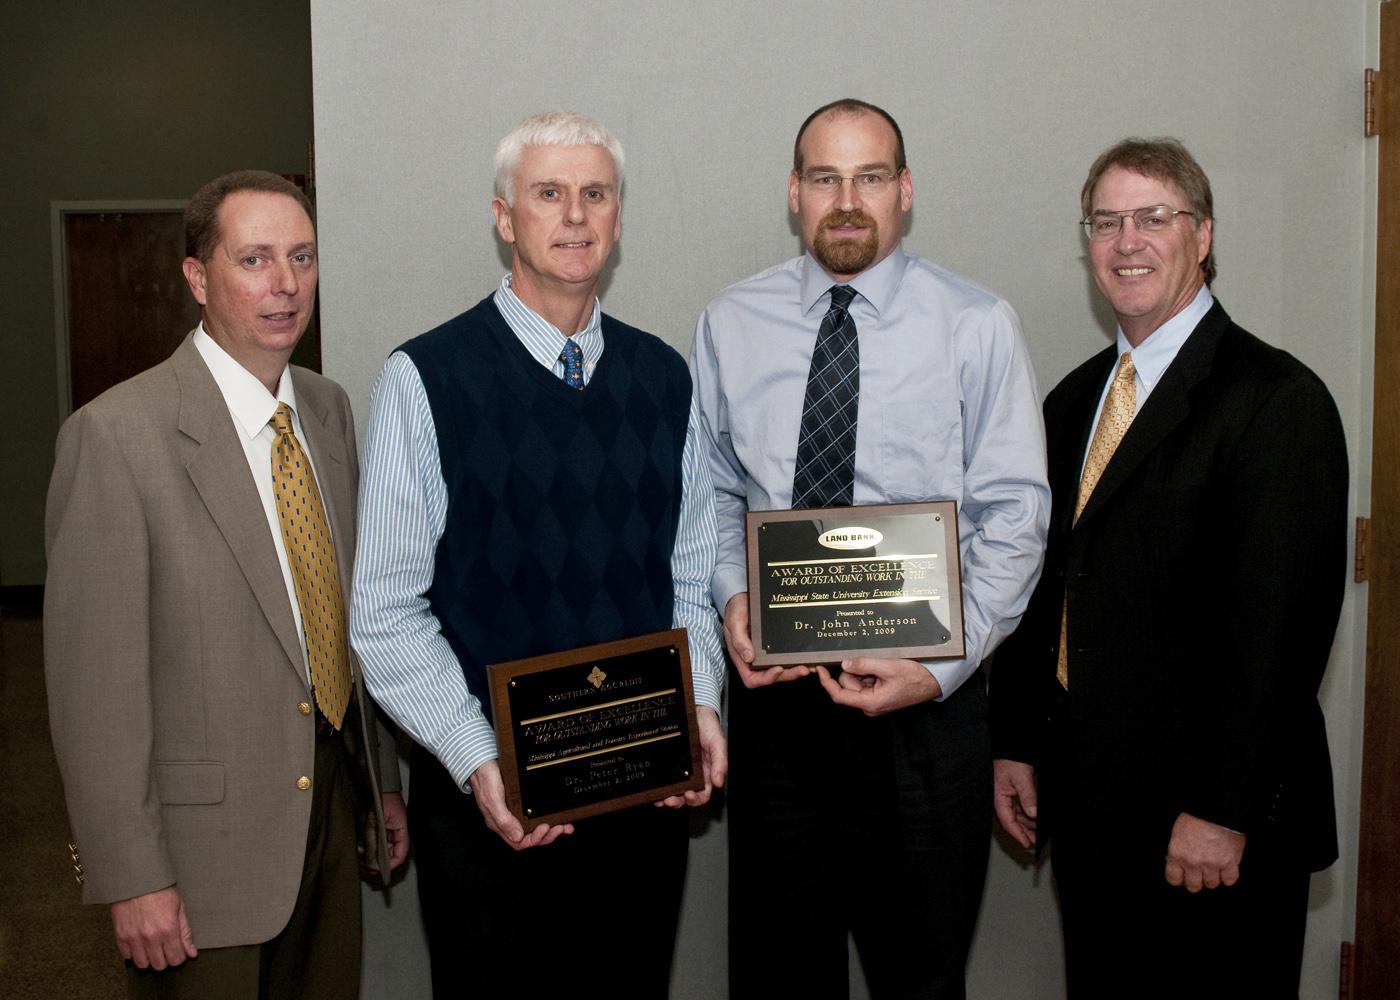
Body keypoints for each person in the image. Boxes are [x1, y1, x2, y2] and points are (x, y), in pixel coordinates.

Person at [350, 110, 728, 997]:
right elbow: (385, 612)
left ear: (619, 217)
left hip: (640, 805)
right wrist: (483, 760)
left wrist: (699, 707)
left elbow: (685, 574)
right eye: (548, 194)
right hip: (490, 812)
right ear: (503, 215)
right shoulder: (426, 379)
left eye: (595, 194)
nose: (574, 216)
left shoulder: (664, 378)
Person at [690, 98, 1050, 1000]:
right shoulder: (731, 322)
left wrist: (941, 672)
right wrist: (737, 600)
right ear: (794, 193)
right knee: (778, 976)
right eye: (825, 177)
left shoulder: (977, 324)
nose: (846, 200)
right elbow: (716, 492)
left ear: (906, 190)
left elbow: (1016, 519)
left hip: (926, 713)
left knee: (919, 976)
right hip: (778, 716)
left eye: (870, 176)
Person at [990, 138, 1348, 998]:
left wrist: (1223, 810)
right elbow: (1047, 586)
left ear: (1204, 234)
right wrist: (1015, 742)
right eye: (1106, 222)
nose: (1127, 241)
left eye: (1154, 217)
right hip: (1091, 811)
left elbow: (1281, 635)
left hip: (1213, 829)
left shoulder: (1275, 399)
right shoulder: (1074, 401)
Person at [44, 169, 408, 1000]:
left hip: (327, 818)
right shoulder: (115, 438)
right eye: (254, 260)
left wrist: (378, 780)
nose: (285, 284)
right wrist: (130, 874)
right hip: (199, 860)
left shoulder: (326, 409)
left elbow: (346, 617)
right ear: (197, 279)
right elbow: (93, 690)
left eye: (302, 256)